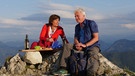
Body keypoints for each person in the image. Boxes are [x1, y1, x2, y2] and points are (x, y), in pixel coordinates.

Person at [54, 8, 100, 76]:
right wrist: (78, 44)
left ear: (84, 16)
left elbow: (96, 38)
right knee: (67, 46)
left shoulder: (91, 23)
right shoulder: (77, 26)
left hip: (91, 45)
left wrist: (85, 45)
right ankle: (63, 68)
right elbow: (75, 38)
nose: (76, 17)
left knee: (93, 54)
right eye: (75, 16)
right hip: (80, 45)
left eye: (77, 16)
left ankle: (91, 72)